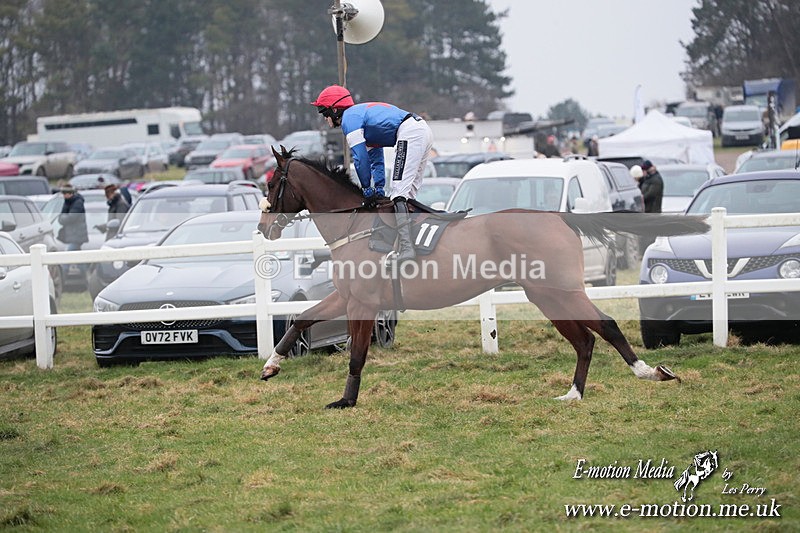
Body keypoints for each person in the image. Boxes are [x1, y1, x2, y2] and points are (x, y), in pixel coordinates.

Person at [311, 84, 433, 263]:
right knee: (408, 194)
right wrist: (379, 187)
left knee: (399, 194)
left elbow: (360, 157)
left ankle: (407, 248)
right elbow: (376, 159)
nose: (325, 119)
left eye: (324, 113)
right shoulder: (361, 119)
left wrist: (367, 187)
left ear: (335, 109)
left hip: (410, 133)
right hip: (421, 130)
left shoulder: (349, 120)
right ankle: (411, 240)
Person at [57, 185, 89, 275]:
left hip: (77, 235)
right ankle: (86, 277)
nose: (64, 196)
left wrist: (62, 218)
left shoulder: (77, 203)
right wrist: (62, 218)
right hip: (73, 235)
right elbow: (62, 217)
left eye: (65, 193)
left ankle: (63, 275)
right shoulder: (68, 202)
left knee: (67, 256)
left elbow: (70, 218)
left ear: (70, 193)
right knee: (78, 258)